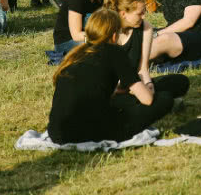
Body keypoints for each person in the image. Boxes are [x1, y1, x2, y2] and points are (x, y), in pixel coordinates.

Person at [47, 9, 167, 144]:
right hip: (91, 133)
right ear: (114, 35)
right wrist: (149, 86)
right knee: (164, 98)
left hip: (57, 132)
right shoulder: (115, 52)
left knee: (124, 100)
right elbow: (147, 100)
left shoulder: (75, 55)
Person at [106, 0, 190, 115]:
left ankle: (147, 102)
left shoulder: (145, 28)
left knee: (180, 81)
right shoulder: (106, 30)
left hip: (134, 85)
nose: (144, 16)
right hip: (111, 89)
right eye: (139, 14)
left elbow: (142, 69)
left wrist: (148, 85)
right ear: (124, 14)